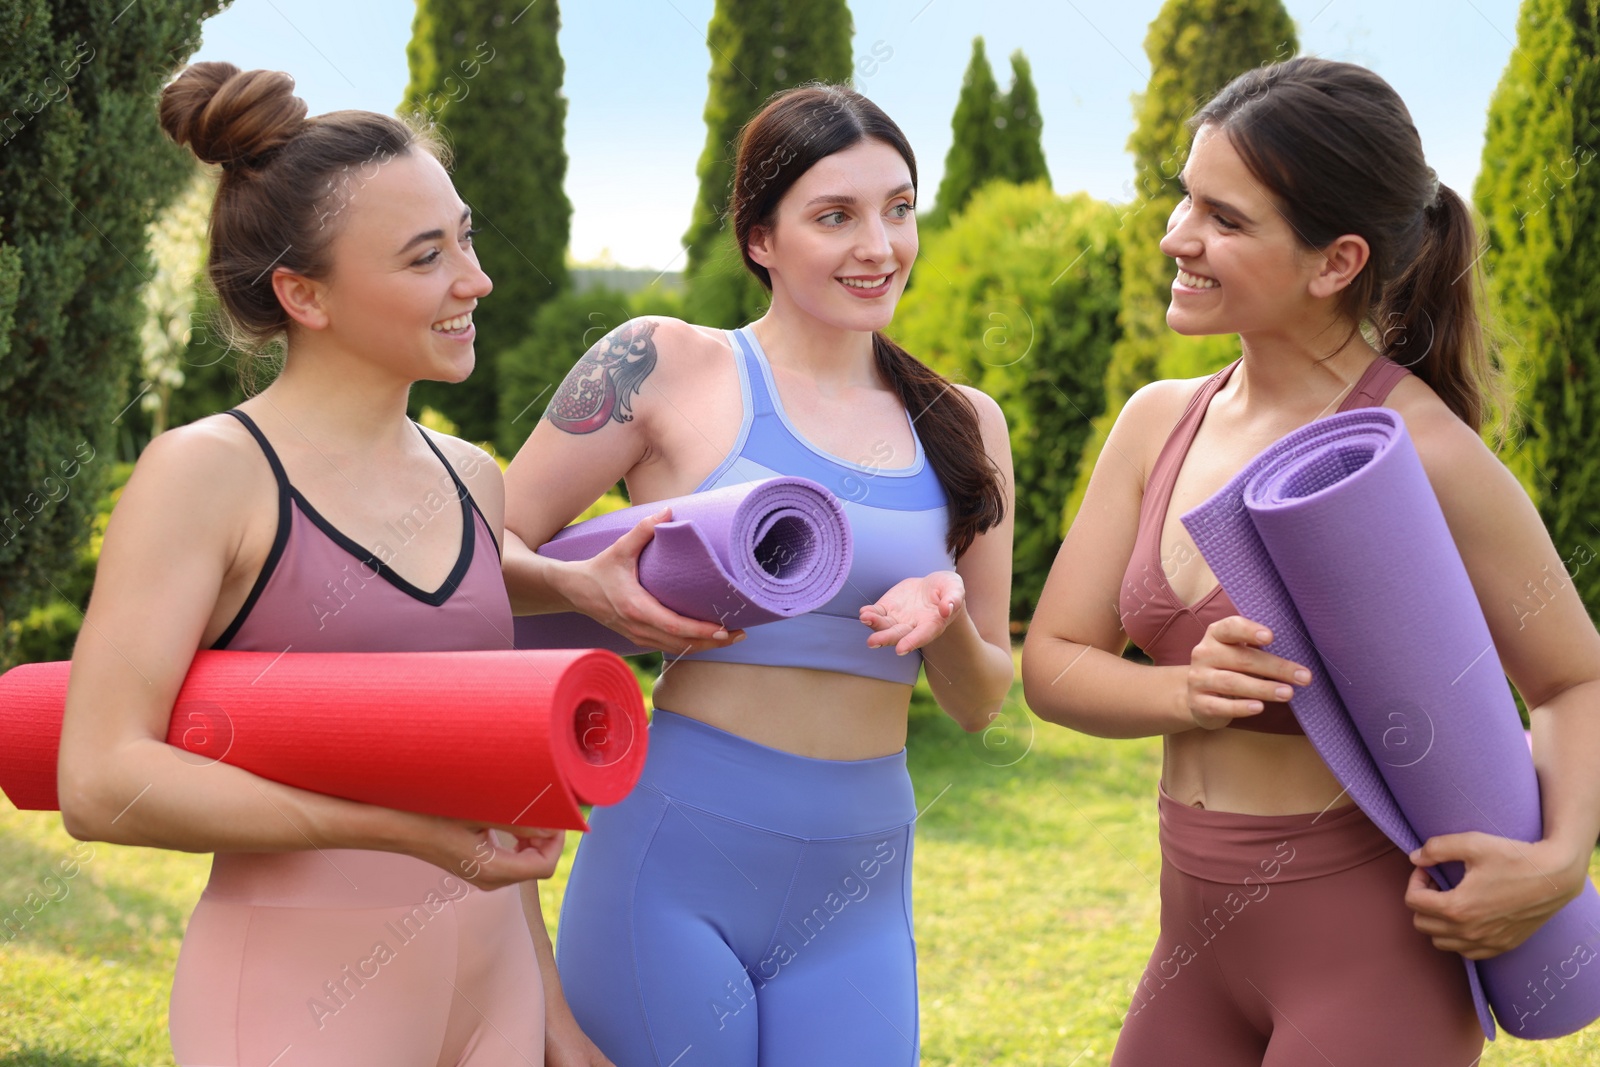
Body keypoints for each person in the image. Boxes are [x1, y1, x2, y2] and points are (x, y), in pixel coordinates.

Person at [1021, 56, 1600, 1066]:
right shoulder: (1158, 422)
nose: (1175, 236)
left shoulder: (1416, 449)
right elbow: (1053, 661)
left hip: (1377, 958)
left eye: (1224, 219)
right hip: (1191, 951)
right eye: (1182, 199)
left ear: (1334, 262)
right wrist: (1183, 695)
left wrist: (1558, 860)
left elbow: (1574, 675)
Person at [56, 62, 564, 1066]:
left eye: (464, 235)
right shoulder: (207, 473)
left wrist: (550, 1007)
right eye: (427, 256)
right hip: (301, 996)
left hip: (495, 987)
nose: (476, 278)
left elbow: (491, 784)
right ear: (303, 292)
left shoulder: (474, 478)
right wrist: (392, 830)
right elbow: (99, 775)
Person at [500, 85, 1015, 1067]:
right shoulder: (658, 364)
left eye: (899, 209)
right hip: (675, 857)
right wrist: (583, 590)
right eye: (835, 216)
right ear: (760, 237)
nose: (879, 245)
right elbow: (477, 552)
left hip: (858, 886)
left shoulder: (964, 423)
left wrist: (943, 615)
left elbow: (982, 697)